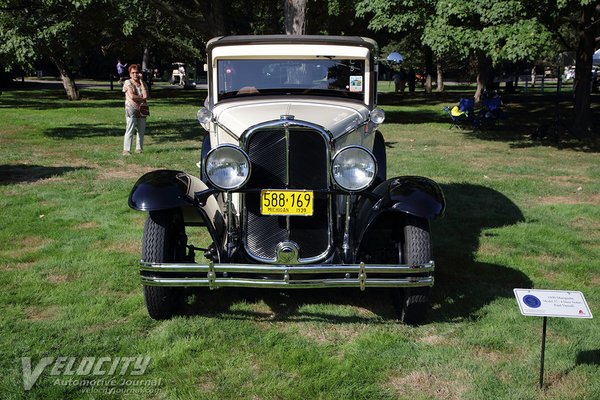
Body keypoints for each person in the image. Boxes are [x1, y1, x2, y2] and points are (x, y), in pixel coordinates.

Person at [122, 64, 149, 155]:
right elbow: (132, 96)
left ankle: (139, 149)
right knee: (130, 129)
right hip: (132, 108)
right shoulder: (127, 82)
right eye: (133, 72)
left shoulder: (143, 83)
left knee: (141, 130)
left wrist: (141, 81)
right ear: (130, 74)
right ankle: (126, 150)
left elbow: (146, 95)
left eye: (137, 72)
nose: (135, 74)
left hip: (143, 108)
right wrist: (142, 98)